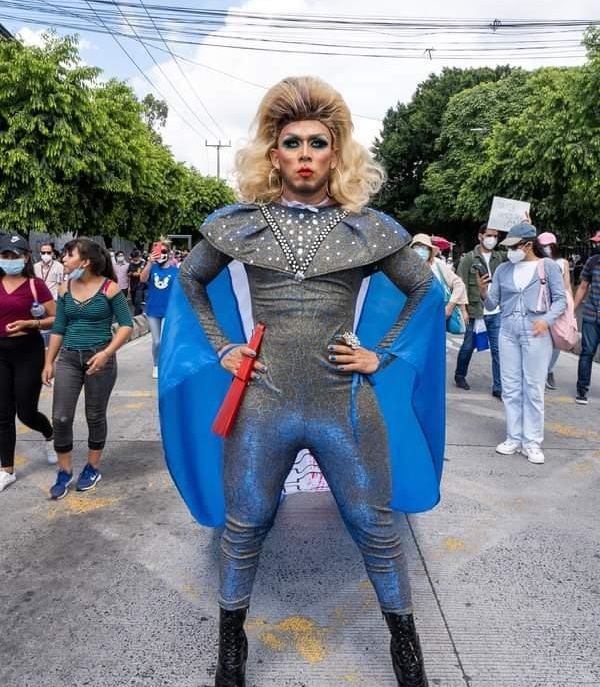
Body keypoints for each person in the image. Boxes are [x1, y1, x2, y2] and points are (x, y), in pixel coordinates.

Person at [159, 76, 446, 687]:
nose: (307, 154)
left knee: (375, 526)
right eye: (294, 142)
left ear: (336, 153)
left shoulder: (367, 227)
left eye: (320, 142)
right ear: (274, 154)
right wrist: (222, 349)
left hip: (344, 404)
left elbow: (426, 288)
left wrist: (383, 356)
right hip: (263, 405)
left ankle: (408, 658)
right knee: (245, 525)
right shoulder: (238, 223)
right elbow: (187, 282)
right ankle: (230, 653)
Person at [42, 238, 133, 500]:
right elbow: (58, 328)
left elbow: (126, 325)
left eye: (68, 255)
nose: (63, 259)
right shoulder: (64, 288)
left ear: (85, 261)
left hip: (99, 359)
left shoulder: (110, 289)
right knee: (60, 417)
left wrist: (106, 353)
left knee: (95, 416)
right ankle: (64, 471)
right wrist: (49, 362)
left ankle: (92, 467)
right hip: (69, 358)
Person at [478, 223, 566, 464]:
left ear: (528, 245)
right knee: (511, 387)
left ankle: (532, 441)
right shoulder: (503, 269)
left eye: (515, 246)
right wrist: (484, 292)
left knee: (533, 388)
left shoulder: (546, 266)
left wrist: (545, 320)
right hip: (507, 330)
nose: (510, 251)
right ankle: (513, 437)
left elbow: (560, 301)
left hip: (535, 330)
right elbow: (491, 304)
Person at [0, 233, 57, 493]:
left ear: (26, 257)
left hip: (28, 351)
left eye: (15, 255)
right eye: (5, 255)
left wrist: (32, 323)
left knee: (26, 412)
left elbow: (56, 318)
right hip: (1, 352)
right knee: (3, 414)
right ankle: (6, 470)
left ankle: (49, 434)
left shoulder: (36, 286)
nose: (10, 260)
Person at [454, 223, 504, 397]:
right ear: (480, 236)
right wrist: (464, 310)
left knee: (498, 350)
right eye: (489, 235)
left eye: (496, 236)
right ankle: (460, 375)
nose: (492, 239)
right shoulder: (469, 258)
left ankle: (498, 386)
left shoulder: (500, 257)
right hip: (476, 311)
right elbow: (460, 284)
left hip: (496, 310)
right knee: (468, 346)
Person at [536, 232, 572, 390]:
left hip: (558, 305)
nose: (546, 249)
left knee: (557, 339)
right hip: (541, 305)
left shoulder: (562, 263)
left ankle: (548, 370)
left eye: (549, 246)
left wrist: (569, 307)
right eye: (543, 246)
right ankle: (539, 372)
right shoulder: (538, 262)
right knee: (541, 338)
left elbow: (567, 286)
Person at [411, 233, 468, 327]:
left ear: (430, 251)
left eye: (425, 248)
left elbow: (459, 284)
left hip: (437, 316)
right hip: (413, 318)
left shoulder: (437, 265)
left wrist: (450, 306)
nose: (421, 250)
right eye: (418, 246)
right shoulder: (406, 267)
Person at [139, 241, 178, 380]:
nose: (160, 255)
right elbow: (142, 279)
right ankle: (156, 364)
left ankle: (168, 364)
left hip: (170, 311)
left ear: (169, 253)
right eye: (157, 252)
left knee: (168, 341)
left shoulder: (175, 271)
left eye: (163, 252)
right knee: (157, 341)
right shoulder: (153, 268)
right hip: (153, 310)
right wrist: (149, 263)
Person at [573, 230, 600, 405]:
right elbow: (583, 287)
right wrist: (572, 310)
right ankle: (582, 390)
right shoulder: (593, 261)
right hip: (591, 315)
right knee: (587, 352)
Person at [127, 249, 146, 316]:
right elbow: (128, 273)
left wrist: (134, 273)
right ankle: (139, 310)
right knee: (133, 302)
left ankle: (136, 316)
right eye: (134, 258)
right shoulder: (131, 264)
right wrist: (132, 274)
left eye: (136, 257)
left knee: (138, 301)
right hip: (133, 285)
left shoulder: (143, 263)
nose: (135, 259)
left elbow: (139, 273)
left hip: (140, 285)